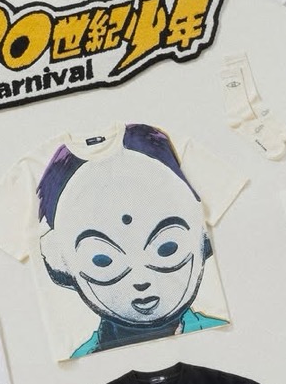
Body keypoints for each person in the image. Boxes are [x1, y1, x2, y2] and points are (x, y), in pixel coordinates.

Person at [36, 124, 227, 357]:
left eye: (167, 248)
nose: (141, 280)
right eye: (102, 260)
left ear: (202, 235)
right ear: (58, 262)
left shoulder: (178, 146)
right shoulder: (31, 168)